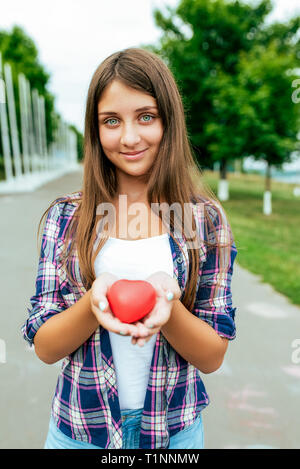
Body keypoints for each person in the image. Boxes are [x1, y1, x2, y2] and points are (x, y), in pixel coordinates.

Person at [21, 48, 237, 450]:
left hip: (176, 433)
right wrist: (92, 304)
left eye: (146, 117)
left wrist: (167, 304)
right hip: (80, 430)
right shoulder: (67, 217)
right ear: (95, 129)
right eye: (111, 121)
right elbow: (45, 347)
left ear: (168, 121)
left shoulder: (205, 220)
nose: (130, 137)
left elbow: (212, 357)